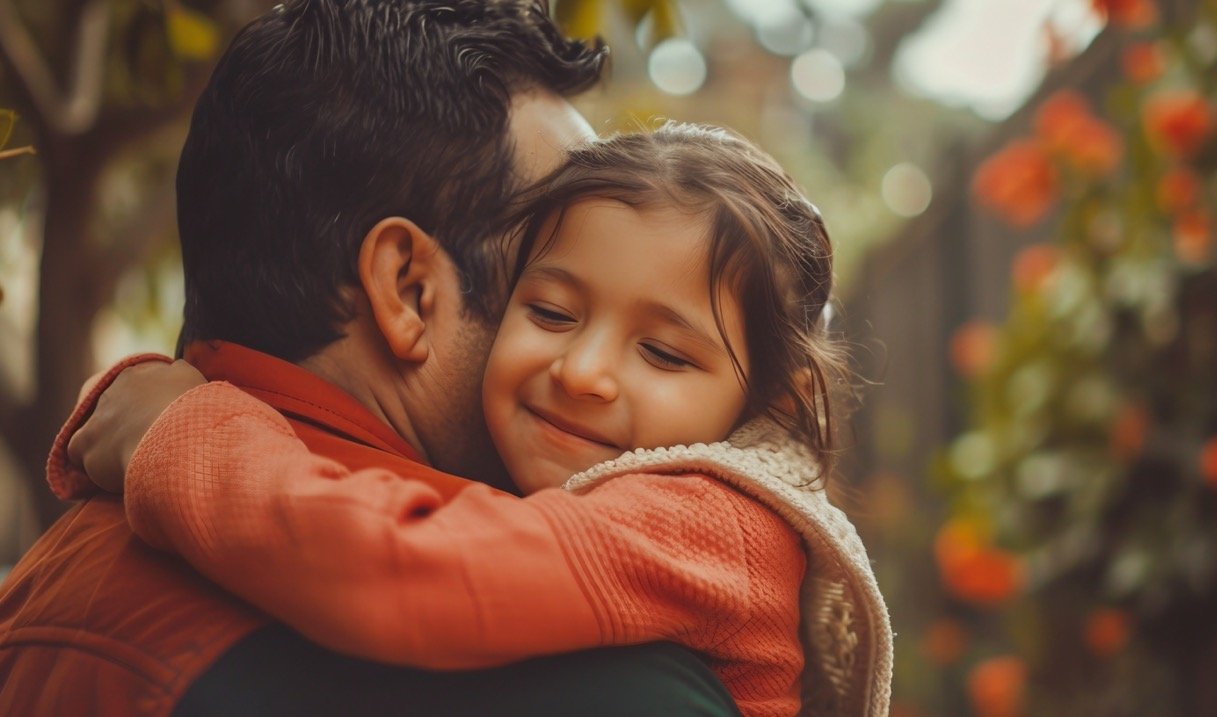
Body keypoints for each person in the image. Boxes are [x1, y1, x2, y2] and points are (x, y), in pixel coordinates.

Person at [0, 1, 743, 714]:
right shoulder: (596, 677)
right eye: (548, 298)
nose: (585, 370)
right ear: (409, 289)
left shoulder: (42, 584)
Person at [60, 125, 893, 716]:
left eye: (665, 355)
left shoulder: (706, 518)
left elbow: (403, 573)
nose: (583, 371)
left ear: (769, 404)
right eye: (552, 311)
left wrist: (174, 432)